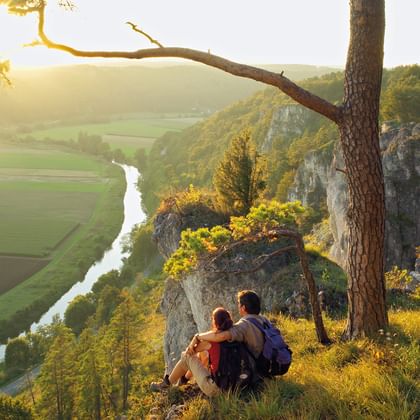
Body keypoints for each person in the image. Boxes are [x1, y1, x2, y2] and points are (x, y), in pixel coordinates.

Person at [150, 307, 233, 397]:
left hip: (216, 389)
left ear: (215, 323)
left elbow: (190, 352)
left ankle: (166, 384)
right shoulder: (234, 335)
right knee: (203, 354)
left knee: (186, 356)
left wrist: (196, 338)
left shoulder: (211, 341)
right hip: (234, 385)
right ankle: (183, 380)